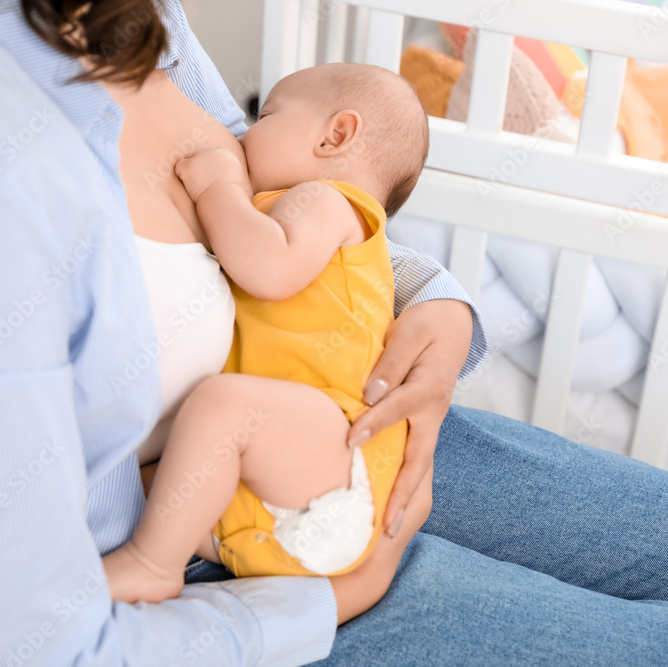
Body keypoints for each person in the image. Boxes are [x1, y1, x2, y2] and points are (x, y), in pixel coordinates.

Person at [0, 0, 668, 664]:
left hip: (327, 423)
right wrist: (322, 603)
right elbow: (32, 644)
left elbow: (294, 187)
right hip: (212, 566)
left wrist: (436, 303)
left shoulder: (109, 18)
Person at [104, 63, 429, 602]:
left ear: (336, 135)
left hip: (335, 462)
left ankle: (152, 563)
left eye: (267, 115)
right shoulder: (291, 216)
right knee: (151, 472)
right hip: (261, 511)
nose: (243, 134)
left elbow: (268, 269)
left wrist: (218, 187)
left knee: (220, 406)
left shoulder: (328, 202)